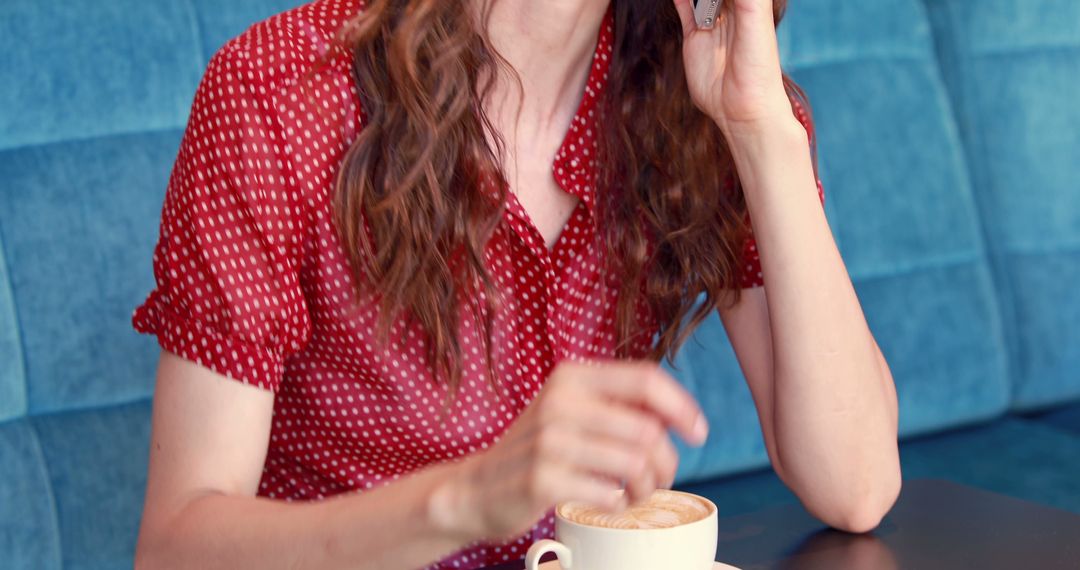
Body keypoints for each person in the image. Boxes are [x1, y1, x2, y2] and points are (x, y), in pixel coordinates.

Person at [132, 0, 901, 568]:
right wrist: (470, 498)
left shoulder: (698, 94)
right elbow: (175, 548)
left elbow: (856, 484)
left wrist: (759, 129)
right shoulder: (278, 93)